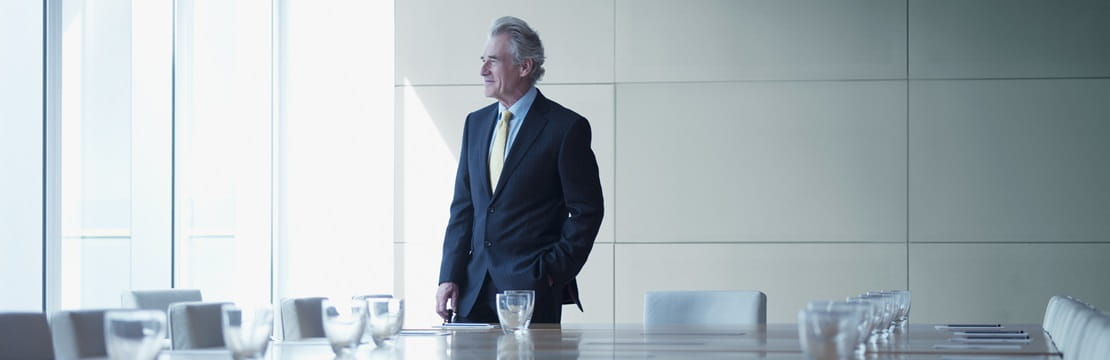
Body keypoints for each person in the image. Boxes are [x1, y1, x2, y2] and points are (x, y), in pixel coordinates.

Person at [435, 16, 604, 324]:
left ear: (524, 67)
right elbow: (463, 209)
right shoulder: (475, 124)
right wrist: (449, 275)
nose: (483, 71)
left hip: (531, 292)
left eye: (493, 61)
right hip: (472, 292)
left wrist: (550, 272)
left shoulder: (565, 128)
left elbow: (587, 212)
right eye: (483, 61)